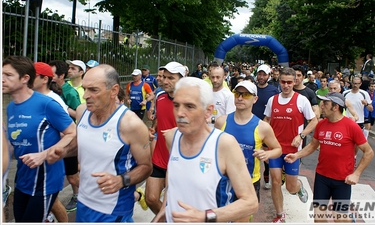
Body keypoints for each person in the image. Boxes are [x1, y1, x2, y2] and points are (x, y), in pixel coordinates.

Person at [153, 77, 258, 222]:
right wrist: (165, 207)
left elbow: (250, 202)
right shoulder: (171, 137)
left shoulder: (224, 144)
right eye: (176, 105)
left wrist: (205, 216)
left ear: (208, 111)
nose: (180, 113)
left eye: (189, 106)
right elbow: (174, 180)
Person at [74, 64, 153, 222]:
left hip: (113, 209)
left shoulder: (131, 124)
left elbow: (146, 167)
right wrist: (54, 152)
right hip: (83, 202)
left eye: (94, 90)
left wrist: (121, 180)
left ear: (114, 91)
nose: (86, 96)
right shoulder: (82, 111)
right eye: (85, 89)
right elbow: (82, 145)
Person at [2, 56, 77, 222]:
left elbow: (72, 132)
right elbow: (16, 143)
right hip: (23, 178)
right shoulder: (11, 107)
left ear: (24, 79)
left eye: (8, 75)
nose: (2, 79)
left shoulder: (47, 104)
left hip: (45, 180)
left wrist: (44, 154)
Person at [285, 92, 374, 223]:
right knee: (319, 218)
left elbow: (369, 152)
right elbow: (313, 145)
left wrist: (356, 174)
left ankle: (349, 218)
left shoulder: (351, 126)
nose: (321, 106)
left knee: (340, 219)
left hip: (342, 180)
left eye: (325, 103)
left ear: (335, 107)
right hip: (322, 177)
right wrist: (296, 155)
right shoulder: (321, 124)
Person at [215, 80, 282, 222]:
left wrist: (267, 153)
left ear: (255, 99)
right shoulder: (221, 121)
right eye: (237, 94)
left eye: (245, 95)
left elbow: (278, 149)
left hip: (249, 182)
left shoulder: (262, 127)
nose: (240, 98)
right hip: (223, 181)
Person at [263, 67, 318, 223]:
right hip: (275, 149)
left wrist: (301, 136)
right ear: (279, 81)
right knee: (275, 182)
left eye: (289, 82)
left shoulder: (301, 100)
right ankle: (280, 215)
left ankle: (298, 187)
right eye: (283, 82)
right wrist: (265, 144)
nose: (286, 85)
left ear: (295, 82)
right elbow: (266, 120)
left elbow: (314, 121)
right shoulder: (272, 100)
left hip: (293, 151)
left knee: (290, 187)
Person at [146, 61, 186, 215]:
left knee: (177, 204)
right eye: (165, 77)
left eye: (171, 78)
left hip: (180, 161)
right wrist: (154, 128)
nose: (165, 81)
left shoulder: (188, 102)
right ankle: (167, 219)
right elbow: (159, 118)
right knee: (151, 199)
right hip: (159, 157)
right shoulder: (160, 96)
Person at [33, 62, 70, 222]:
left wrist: (52, 153)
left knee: (52, 200)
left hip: (49, 162)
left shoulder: (53, 101)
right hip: (31, 163)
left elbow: (67, 132)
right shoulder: (31, 98)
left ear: (43, 79)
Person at [48, 60, 81, 212]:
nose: (50, 76)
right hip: (55, 138)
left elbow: (79, 115)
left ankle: (82, 195)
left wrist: (64, 108)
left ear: (60, 76)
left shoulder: (70, 92)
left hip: (70, 138)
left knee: (73, 176)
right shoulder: (51, 89)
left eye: (53, 74)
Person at [252, 64, 279, 190]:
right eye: (259, 74)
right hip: (251, 125)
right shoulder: (252, 88)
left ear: (269, 76)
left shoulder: (274, 91)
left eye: (264, 74)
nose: (261, 77)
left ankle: (267, 175)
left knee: (267, 154)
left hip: (267, 127)